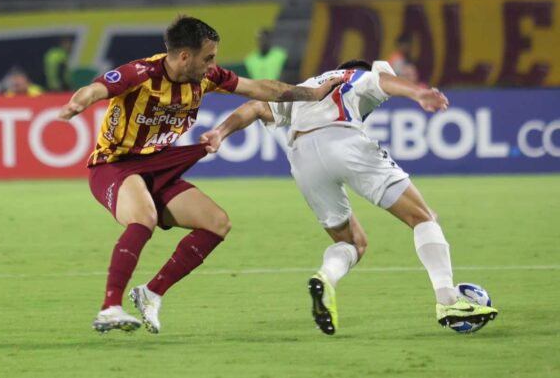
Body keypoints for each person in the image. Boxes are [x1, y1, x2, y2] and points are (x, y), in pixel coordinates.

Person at [58, 16, 342, 334]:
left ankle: (151, 292)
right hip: (115, 165)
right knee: (144, 217)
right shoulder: (142, 73)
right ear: (184, 57)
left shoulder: (207, 78)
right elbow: (98, 88)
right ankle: (110, 307)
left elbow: (261, 88)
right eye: (208, 57)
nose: (213, 64)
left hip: (159, 166)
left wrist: (313, 94)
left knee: (217, 223)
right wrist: (76, 103)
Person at [201, 59, 498, 335]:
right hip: (344, 142)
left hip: (303, 158)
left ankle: (325, 278)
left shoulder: (307, 87)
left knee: (351, 242)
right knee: (423, 217)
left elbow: (254, 107)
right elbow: (384, 81)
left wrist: (219, 131)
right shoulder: (356, 76)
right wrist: (419, 94)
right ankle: (447, 299)